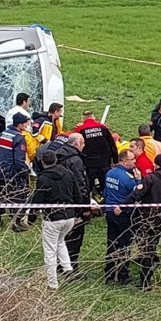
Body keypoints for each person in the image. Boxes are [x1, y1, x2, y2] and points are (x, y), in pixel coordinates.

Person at [116, 154, 161, 290]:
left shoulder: (150, 179)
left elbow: (136, 194)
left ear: (157, 165)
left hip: (151, 220)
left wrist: (122, 206)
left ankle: (145, 281)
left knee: (148, 250)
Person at [30, 150, 79, 290]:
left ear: (42, 162)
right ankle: (68, 269)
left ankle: (52, 283)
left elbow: (37, 201)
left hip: (53, 219)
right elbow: (77, 193)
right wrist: (78, 212)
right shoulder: (69, 174)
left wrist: (31, 218)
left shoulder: (43, 179)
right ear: (56, 160)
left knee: (50, 250)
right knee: (60, 241)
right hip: (69, 216)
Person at [52, 133, 92, 273]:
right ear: (76, 144)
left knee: (60, 238)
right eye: (83, 143)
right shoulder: (76, 161)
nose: (84, 146)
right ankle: (71, 267)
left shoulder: (58, 156)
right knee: (75, 238)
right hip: (74, 205)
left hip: (57, 202)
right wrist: (84, 207)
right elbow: (81, 184)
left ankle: (58, 265)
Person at [103, 150, 140, 285]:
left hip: (110, 211)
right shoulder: (128, 178)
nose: (134, 161)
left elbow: (106, 191)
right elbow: (137, 193)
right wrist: (138, 180)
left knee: (111, 242)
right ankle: (123, 274)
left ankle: (109, 273)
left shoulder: (110, 173)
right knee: (125, 244)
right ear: (124, 161)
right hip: (123, 215)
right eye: (132, 159)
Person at [0, 113, 32, 231]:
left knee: (2, 194)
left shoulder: (3, 134)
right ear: (19, 124)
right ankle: (15, 224)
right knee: (17, 198)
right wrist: (26, 172)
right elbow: (19, 160)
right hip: (13, 172)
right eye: (25, 123)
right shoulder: (19, 138)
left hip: (2, 171)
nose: (27, 125)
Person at [74, 111, 118, 195]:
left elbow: (76, 146)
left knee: (88, 185)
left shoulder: (80, 130)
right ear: (93, 117)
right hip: (104, 162)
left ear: (83, 119)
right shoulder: (103, 128)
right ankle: (106, 202)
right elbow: (112, 144)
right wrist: (115, 160)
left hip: (89, 163)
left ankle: (87, 202)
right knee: (105, 185)